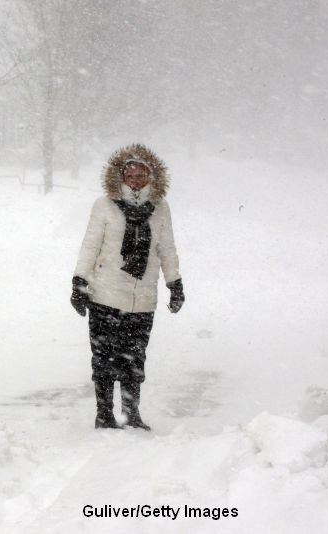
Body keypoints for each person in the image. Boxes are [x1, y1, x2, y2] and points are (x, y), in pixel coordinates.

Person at [70, 144, 184, 430]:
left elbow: (166, 248)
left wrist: (175, 283)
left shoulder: (160, 208)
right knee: (104, 358)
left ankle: (131, 414)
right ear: (120, 176)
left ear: (151, 177)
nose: (135, 180)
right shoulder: (104, 205)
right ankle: (105, 414)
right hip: (105, 294)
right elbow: (90, 245)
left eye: (141, 175)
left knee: (134, 359)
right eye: (130, 174)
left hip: (142, 298)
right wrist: (79, 281)